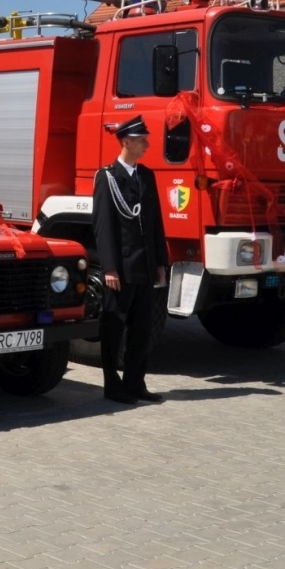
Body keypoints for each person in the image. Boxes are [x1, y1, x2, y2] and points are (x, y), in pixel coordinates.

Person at [92, 115, 170, 403]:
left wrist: (161, 262)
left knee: (142, 330)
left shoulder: (146, 175)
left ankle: (135, 383)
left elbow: (155, 223)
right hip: (121, 269)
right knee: (113, 328)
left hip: (145, 267)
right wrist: (109, 267)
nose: (147, 144)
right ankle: (113, 386)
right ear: (126, 141)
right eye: (141, 140)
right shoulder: (108, 177)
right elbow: (103, 226)